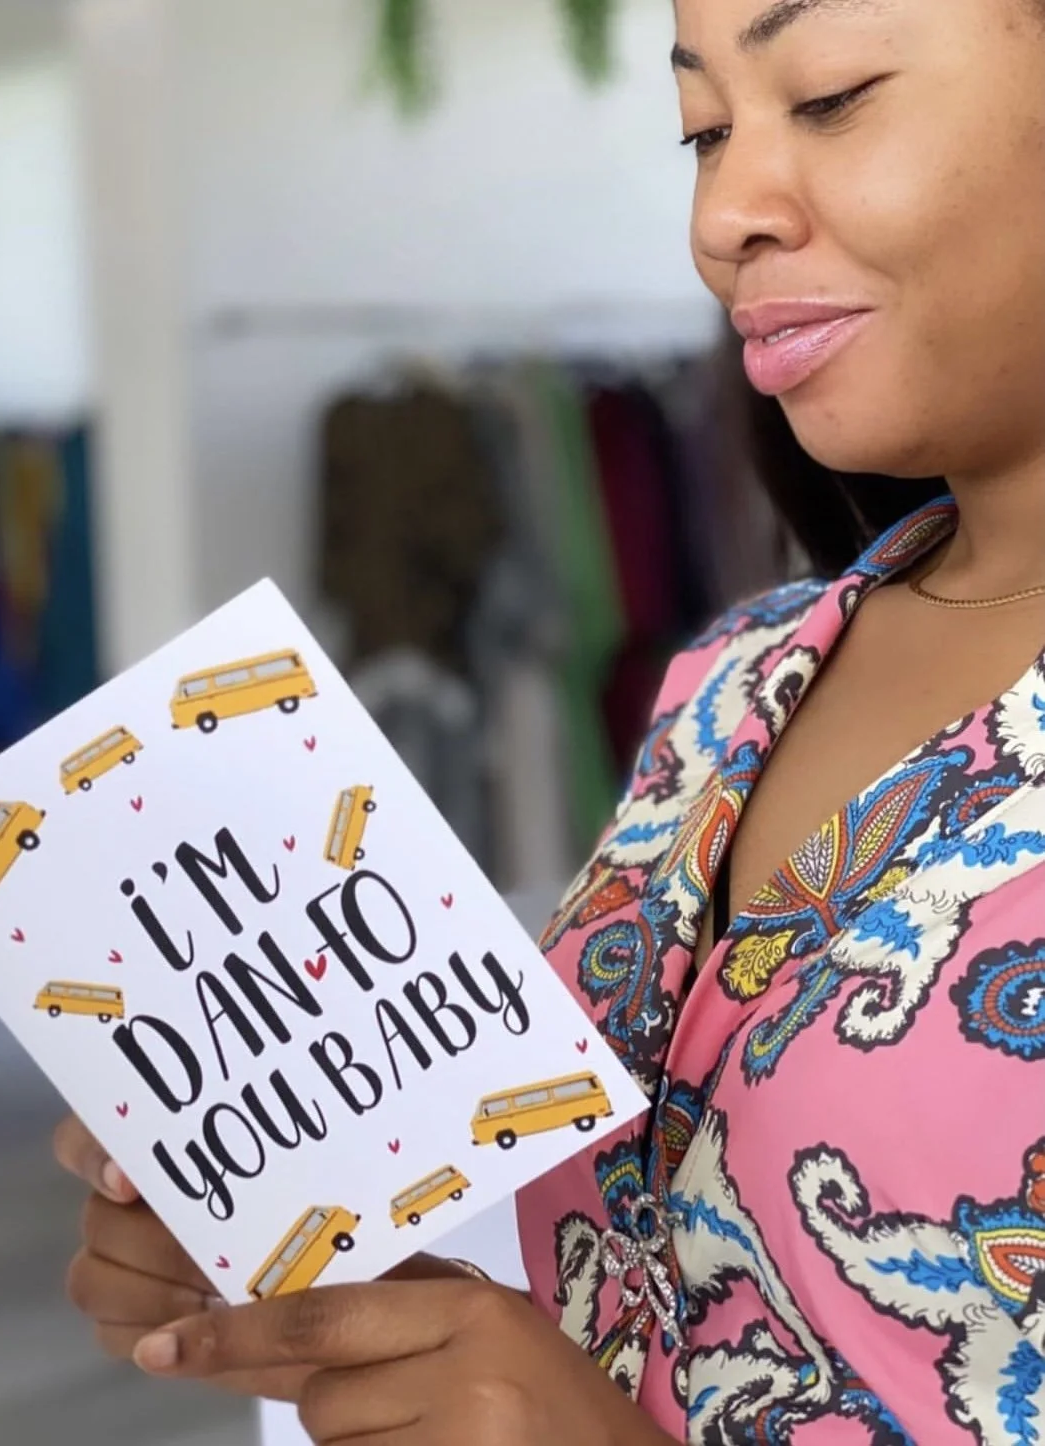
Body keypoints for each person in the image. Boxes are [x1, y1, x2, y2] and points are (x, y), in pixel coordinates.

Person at [53, 0, 1045, 1439]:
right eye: (703, 131)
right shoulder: (732, 684)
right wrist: (319, 1253)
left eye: (829, 95)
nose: (723, 216)